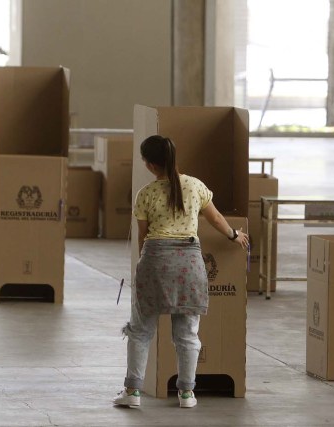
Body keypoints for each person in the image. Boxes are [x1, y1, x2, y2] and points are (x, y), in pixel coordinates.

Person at [113, 135, 249, 409]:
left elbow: (143, 238)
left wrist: (146, 265)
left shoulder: (146, 194)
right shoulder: (195, 186)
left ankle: (132, 392)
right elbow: (216, 218)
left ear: (151, 165)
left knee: (140, 330)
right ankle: (186, 394)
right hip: (189, 264)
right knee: (187, 333)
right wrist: (234, 236)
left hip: (155, 260)